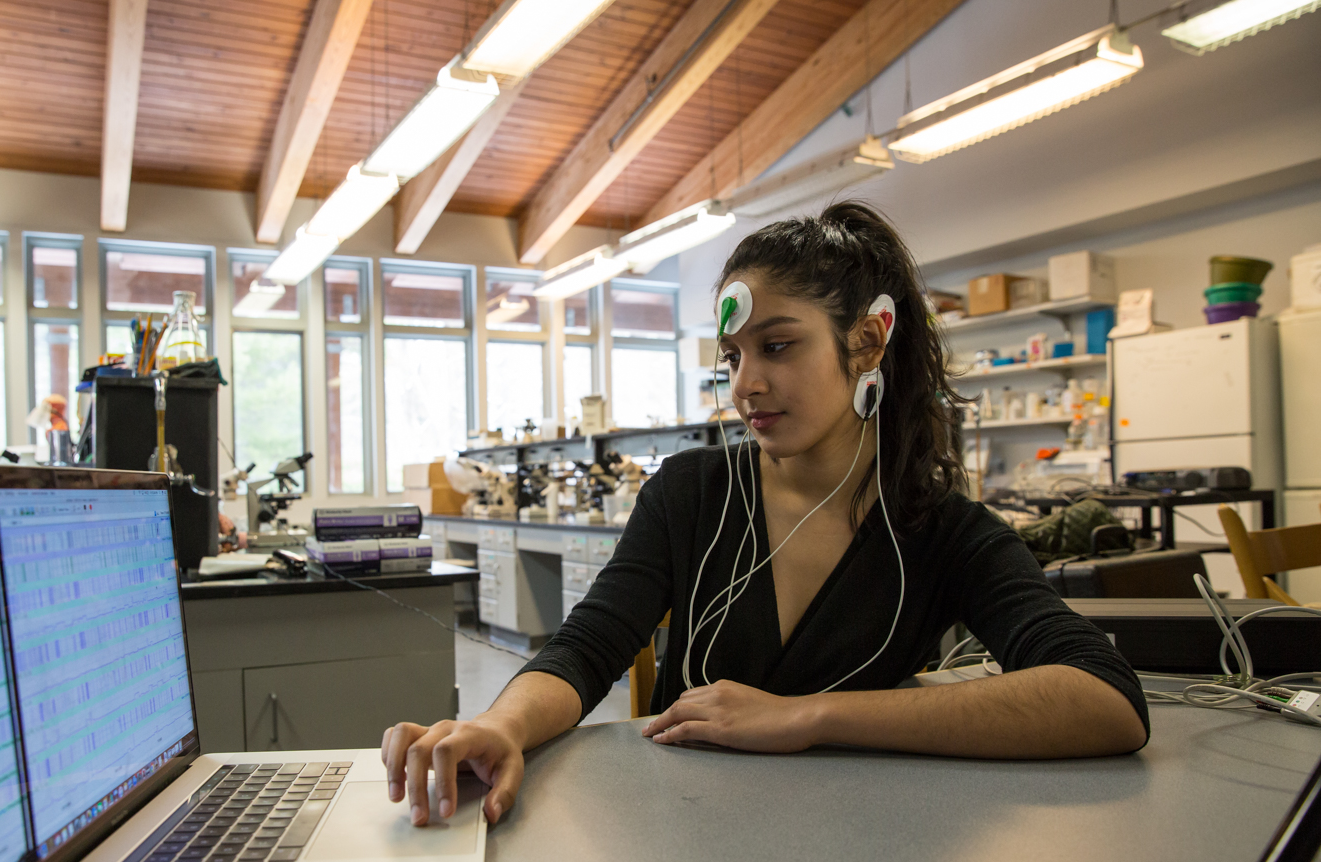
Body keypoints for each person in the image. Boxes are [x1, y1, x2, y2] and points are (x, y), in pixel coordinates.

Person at [382, 203, 1149, 827]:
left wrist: (810, 716)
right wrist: (505, 724)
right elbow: (588, 647)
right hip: (691, 837)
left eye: (777, 346)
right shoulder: (690, 494)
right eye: (733, 356)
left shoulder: (940, 530)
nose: (746, 384)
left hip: (873, 850)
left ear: (869, 341)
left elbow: (1105, 699)